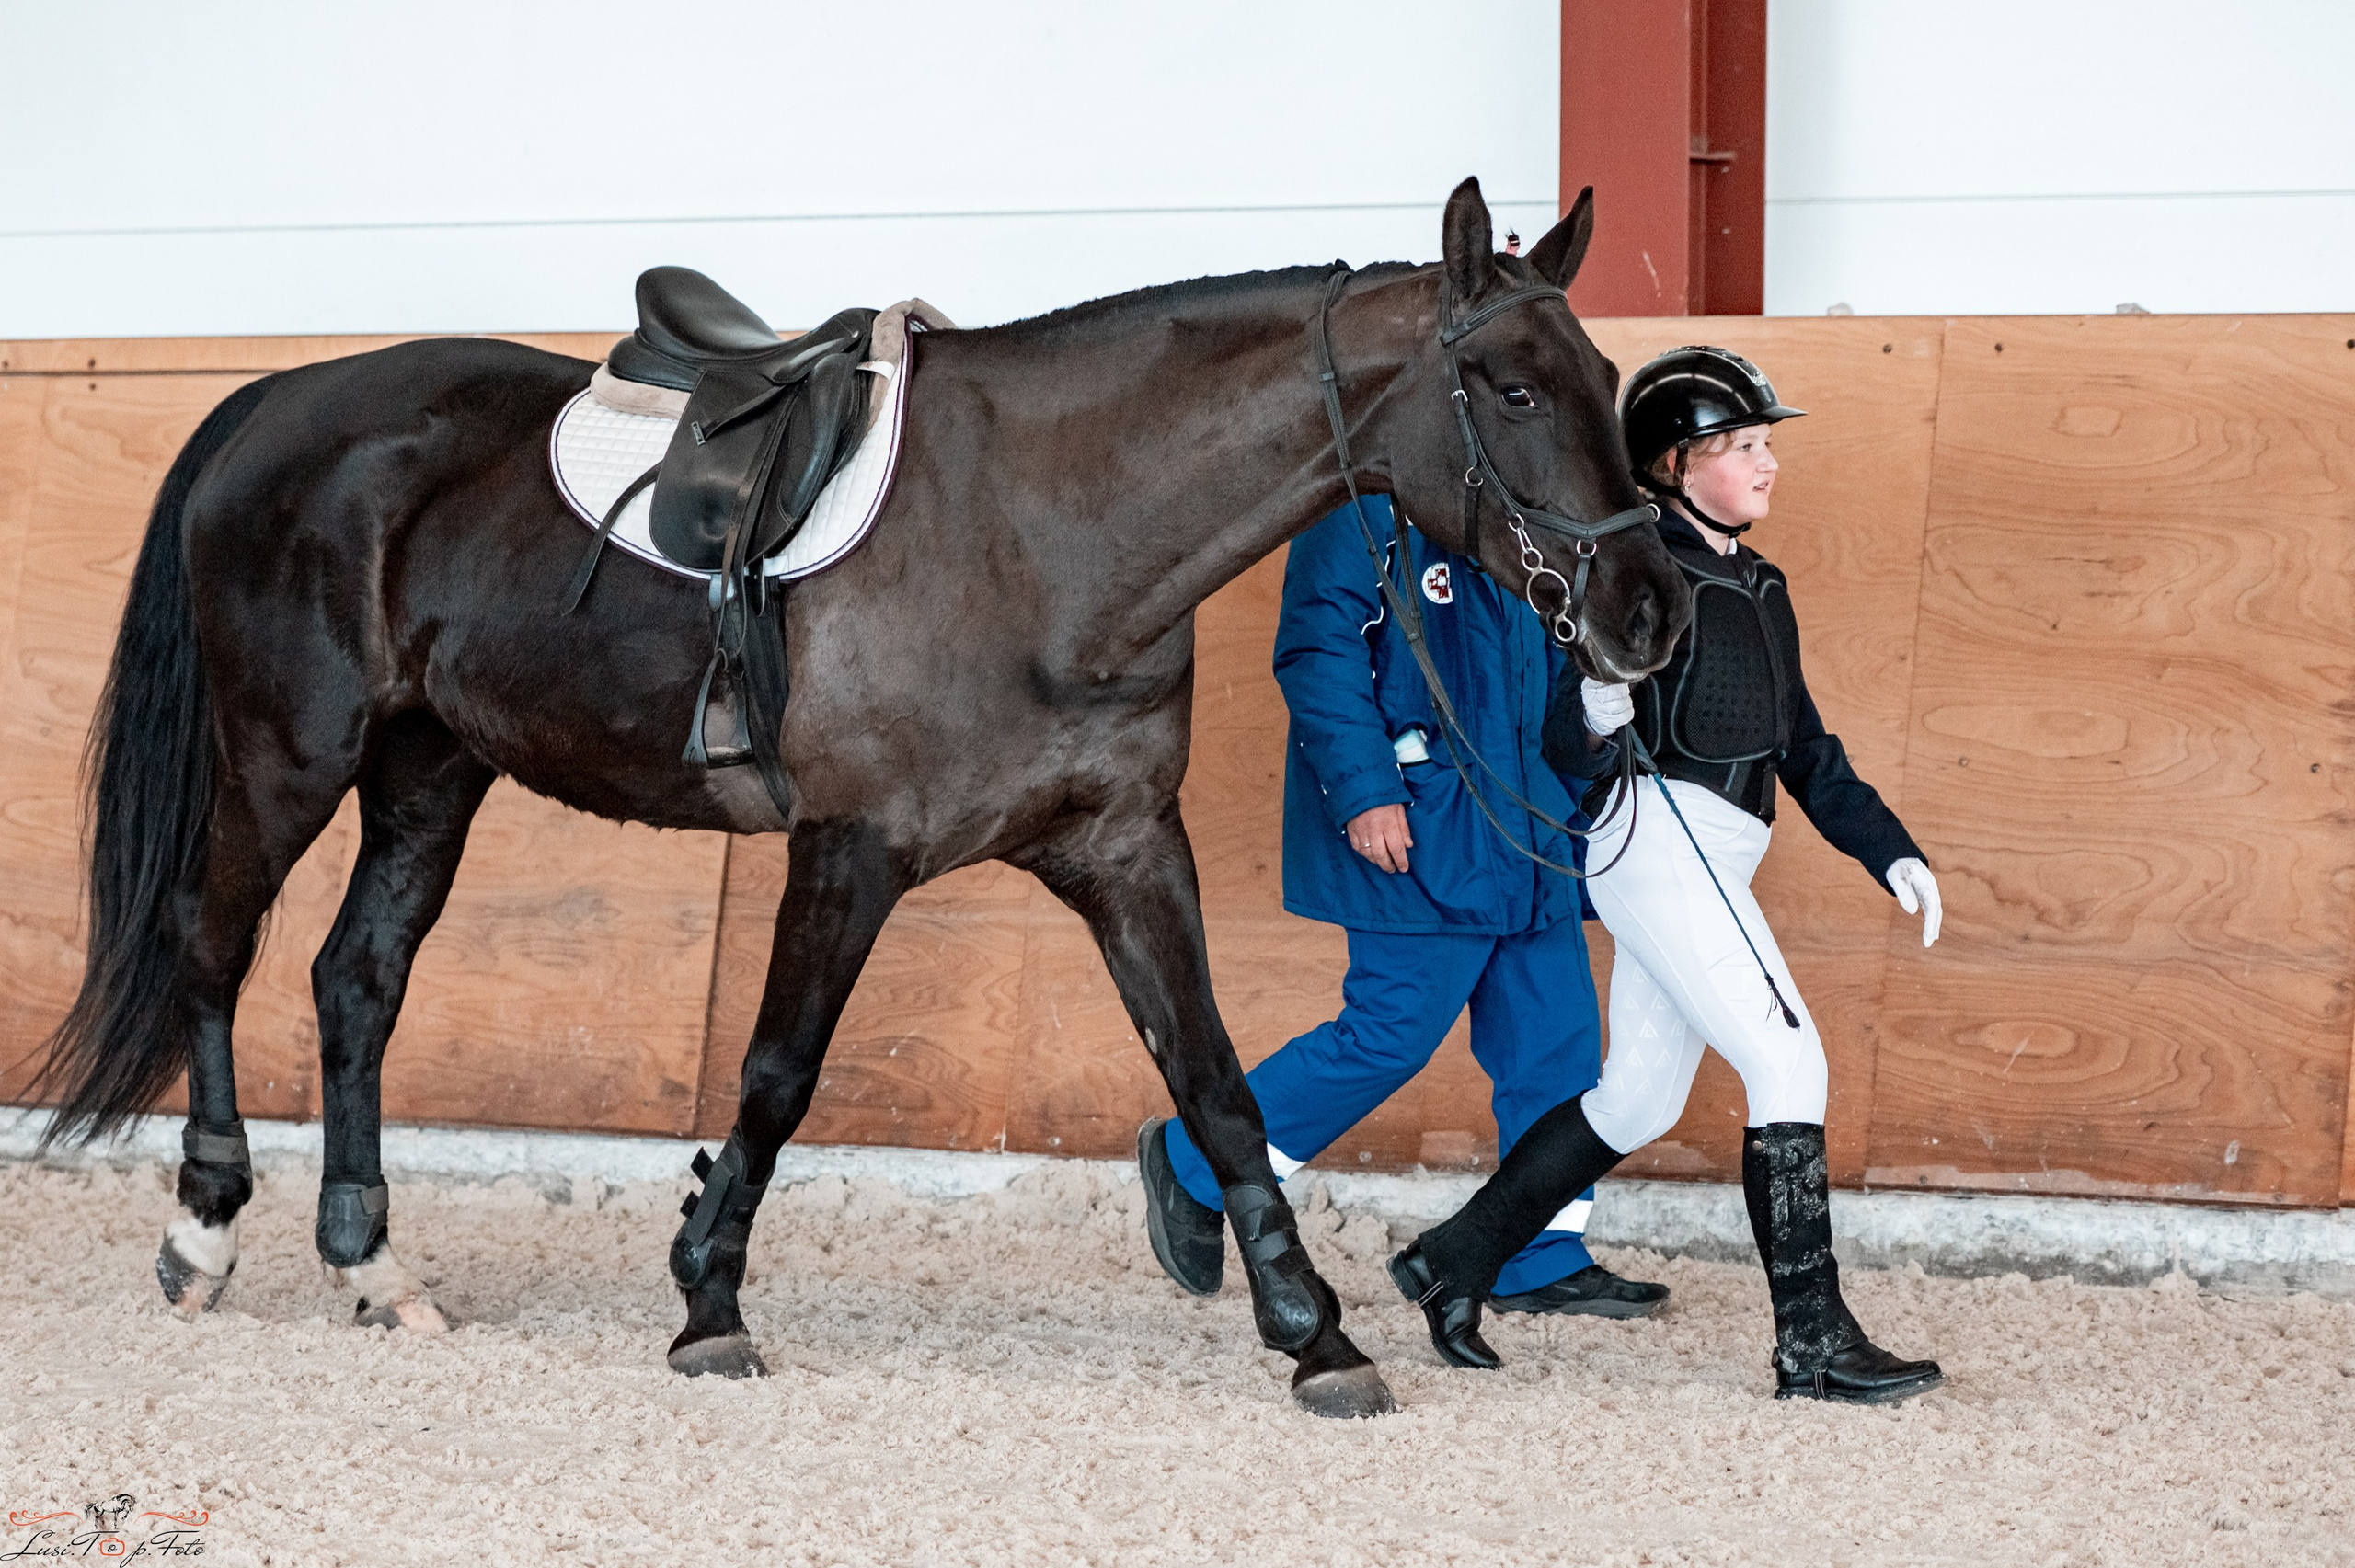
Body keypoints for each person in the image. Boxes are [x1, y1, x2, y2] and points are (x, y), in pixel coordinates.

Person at [1384, 347, 1947, 1404]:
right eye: (1740, 446)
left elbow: (1805, 749)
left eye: (1765, 443)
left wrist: (1889, 848)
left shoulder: (1761, 584)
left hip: (1719, 848)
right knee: (1789, 1061)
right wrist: (1596, 715)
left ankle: (1452, 1259)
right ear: (1672, 465)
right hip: (1657, 836)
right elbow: (1567, 740)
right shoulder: (1639, 573)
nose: (1765, 463)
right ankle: (1812, 1342)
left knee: (1635, 1100)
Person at [1135, 492, 1666, 1359]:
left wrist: (1586, 768)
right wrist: (1365, 789)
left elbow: (1560, 657)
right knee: (1389, 1035)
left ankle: (1538, 1251)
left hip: (1532, 825)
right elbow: (1318, 648)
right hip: (1425, 827)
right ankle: (1194, 1162)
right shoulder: (1365, 505)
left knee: (1556, 1042)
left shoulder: (1532, 505)